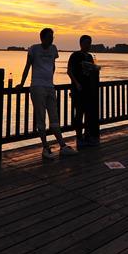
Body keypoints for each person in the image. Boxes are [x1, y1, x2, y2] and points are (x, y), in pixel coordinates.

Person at [18, 28, 77, 159]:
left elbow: (52, 65)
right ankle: (45, 148)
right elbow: (28, 66)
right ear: (42, 38)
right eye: (49, 37)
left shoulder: (53, 49)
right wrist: (22, 84)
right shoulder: (34, 49)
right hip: (37, 86)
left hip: (50, 86)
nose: (52, 39)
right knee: (41, 118)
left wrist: (51, 79)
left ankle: (62, 146)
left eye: (52, 37)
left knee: (54, 117)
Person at [67, 34, 100, 147]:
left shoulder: (90, 57)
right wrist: (76, 83)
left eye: (89, 43)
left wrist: (96, 68)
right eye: (86, 43)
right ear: (80, 44)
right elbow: (69, 71)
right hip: (78, 90)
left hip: (88, 90)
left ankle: (87, 136)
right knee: (79, 114)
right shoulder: (75, 55)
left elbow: (92, 71)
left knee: (88, 114)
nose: (88, 45)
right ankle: (79, 137)